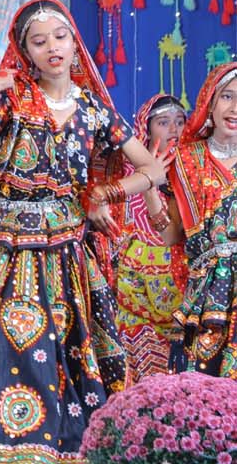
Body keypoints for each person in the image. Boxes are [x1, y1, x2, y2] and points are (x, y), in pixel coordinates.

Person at [0, 0, 164, 463]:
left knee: (66, 350)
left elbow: (152, 170)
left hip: (64, 251)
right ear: (26, 53)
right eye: (39, 42)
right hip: (7, 250)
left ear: (75, 45)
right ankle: (3, 450)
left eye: (60, 37)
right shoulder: (13, 99)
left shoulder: (94, 110)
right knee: (3, 348)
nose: (52, 47)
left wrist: (106, 193)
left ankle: (63, 451)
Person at [157, 62, 237, 379]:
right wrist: (150, 188)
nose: (235, 108)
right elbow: (171, 236)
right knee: (203, 387)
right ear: (210, 103)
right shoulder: (184, 160)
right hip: (206, 296)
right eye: (228, 96)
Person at [113, 94, 187, 378]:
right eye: (163, 122)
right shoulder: (125, 173)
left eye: (180, 121)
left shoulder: (193, 169)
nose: (174, 129)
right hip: (135, 302)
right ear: (146, 129)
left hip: (181, 292)